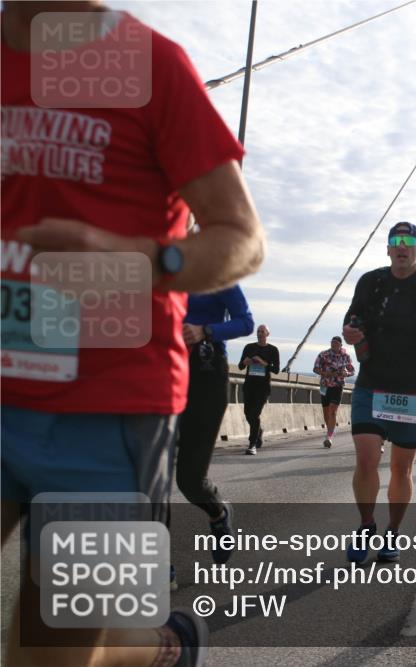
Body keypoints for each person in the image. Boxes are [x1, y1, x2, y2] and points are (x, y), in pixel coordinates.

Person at [0, 3, 265, 666]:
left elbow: (243, 240)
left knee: (50, 654)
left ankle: (160, 648)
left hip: (108, 410)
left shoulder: (152, 65)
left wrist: (142, 260)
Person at [342, 222, 416, 563]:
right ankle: (366, 525)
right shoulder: (371, 282)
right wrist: (350, 333)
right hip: (371, 383)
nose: (402, 246)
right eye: (396, 241)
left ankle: (392, 532)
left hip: (411, 389)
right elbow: (351, 322)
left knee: (400, 468)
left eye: (409, 241)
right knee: (366, 459)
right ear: (388, 249)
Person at [170, 284, 254, 590]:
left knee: (190, 480)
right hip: (159, 372)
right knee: (151, 475)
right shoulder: (151, 268)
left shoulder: (217, 274)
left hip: (204, 375)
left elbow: (245, 322)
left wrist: (205, 330)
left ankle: (218, 512)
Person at [238, 324, 280, 455]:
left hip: (263, 388)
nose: (260, 333)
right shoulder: (249, 347)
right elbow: (240, 366)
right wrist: (245, 362)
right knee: (248, 413)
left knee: (255, 414)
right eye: (258, 331)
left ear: (267, 334)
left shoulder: (273, 350)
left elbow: (276, 370)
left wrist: (263, 363)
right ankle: (259, 431)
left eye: (262, 331)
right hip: (249, 385)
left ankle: (252, 444)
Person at [313, 336, 355, 448]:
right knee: (326, 412)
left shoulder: (345, 356)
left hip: (338, 386)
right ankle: (329, 431)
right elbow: (315, 368)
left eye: (336, 343)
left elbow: (352, 370)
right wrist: (327, 374)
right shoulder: (323, 355)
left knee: (333, 411)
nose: (333, 345)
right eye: (332, 343)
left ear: (341, 345)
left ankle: (329, 437)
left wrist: (347, 373)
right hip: (325, 386)